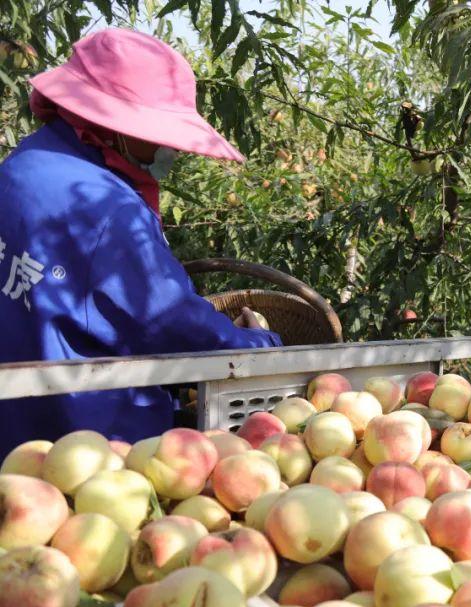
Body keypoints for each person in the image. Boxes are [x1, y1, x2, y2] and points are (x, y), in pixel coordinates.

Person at [0, 28, 282, 457]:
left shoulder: (20, 166)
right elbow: (171, 327)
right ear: (109, 126)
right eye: (157, 135)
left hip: (18, 440)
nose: (169, 149)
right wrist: (260, 343)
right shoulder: (106, 206)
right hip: (93, 446)